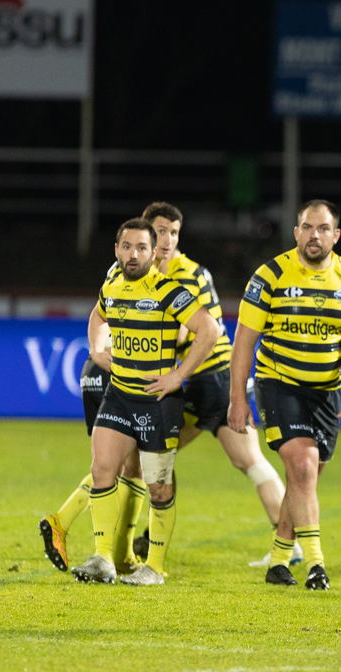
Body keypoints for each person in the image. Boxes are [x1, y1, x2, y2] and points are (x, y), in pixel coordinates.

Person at [226, 199, 341, 591]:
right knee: (304, 465)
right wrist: (237, 398)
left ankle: (278, 560)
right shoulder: (271, 275)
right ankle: (315, 564)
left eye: (323, 228)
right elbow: (245, 339)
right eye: (307, 227)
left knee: (303, 480)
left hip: (327, 391)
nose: (314, 235)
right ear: (296, 232)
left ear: (336, 235)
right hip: (278, 383)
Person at [138, 201, 300, 566]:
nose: (167, 239)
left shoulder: (182, 274)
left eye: (173, 232)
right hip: (219, 378)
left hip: (209, 378)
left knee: (153, 454)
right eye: (161, 231)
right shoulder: (179, 270)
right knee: (249, 461)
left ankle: (151, 536)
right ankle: (291, 545)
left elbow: (185, 331)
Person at [70, 218, 220, 585]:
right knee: (103, 470)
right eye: (126, 247)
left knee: (158, 485)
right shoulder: (113, 285)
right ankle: (103, 557)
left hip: (158, 400)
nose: (133, 254)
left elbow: (210, 330)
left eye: (141, 248)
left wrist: (178, 375)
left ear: (154, 253)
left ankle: (154, 566)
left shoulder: (170, 290)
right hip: (119, 394)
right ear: (116, 250)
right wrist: (96, 348)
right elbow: (97, 314)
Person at [38, 271, 147, 574]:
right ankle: (62, 522)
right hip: (116, 369)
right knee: (116, 463)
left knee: (130, 464)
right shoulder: (149, 272)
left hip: (97, 368)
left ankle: (121, 554)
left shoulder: (124, 267)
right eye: (162, 233)